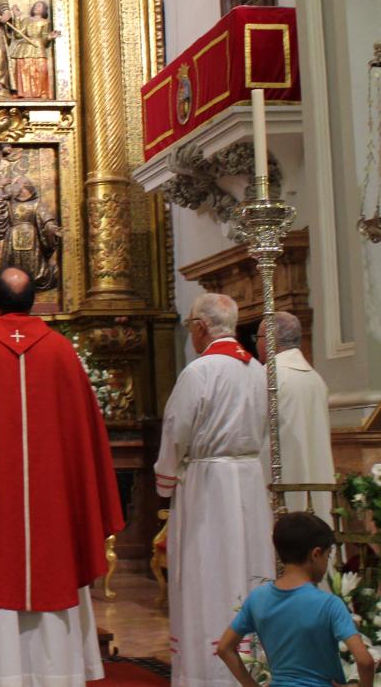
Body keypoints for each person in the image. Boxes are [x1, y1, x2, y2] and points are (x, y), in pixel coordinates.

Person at [0, 267, 123, 687]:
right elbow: (87, 437)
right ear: (35, 301)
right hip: (53, 510)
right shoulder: (61, 352)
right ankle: (58, 672)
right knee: (54, 559)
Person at [155, 293, 273, 687]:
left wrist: (166, 477)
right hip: (249, 482)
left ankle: (208, 673)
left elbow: (176, 432)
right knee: (249, 566)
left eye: (190, 324)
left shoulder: (200, 372)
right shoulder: (257, 371)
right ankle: (251, 664)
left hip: (207, 484)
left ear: (201, 327)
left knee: (208, 569)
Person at [217, 512, 374, 687]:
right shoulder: (329, 604)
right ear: (316, 554)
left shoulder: (257, 598)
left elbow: (224, 648)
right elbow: (365, 661)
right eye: (327, 555)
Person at [262, 312, 335, 521]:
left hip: (280, 481)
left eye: (257, 338)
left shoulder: (269, 375)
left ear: (270, 338)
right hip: (316, 480)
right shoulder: (315, 378)